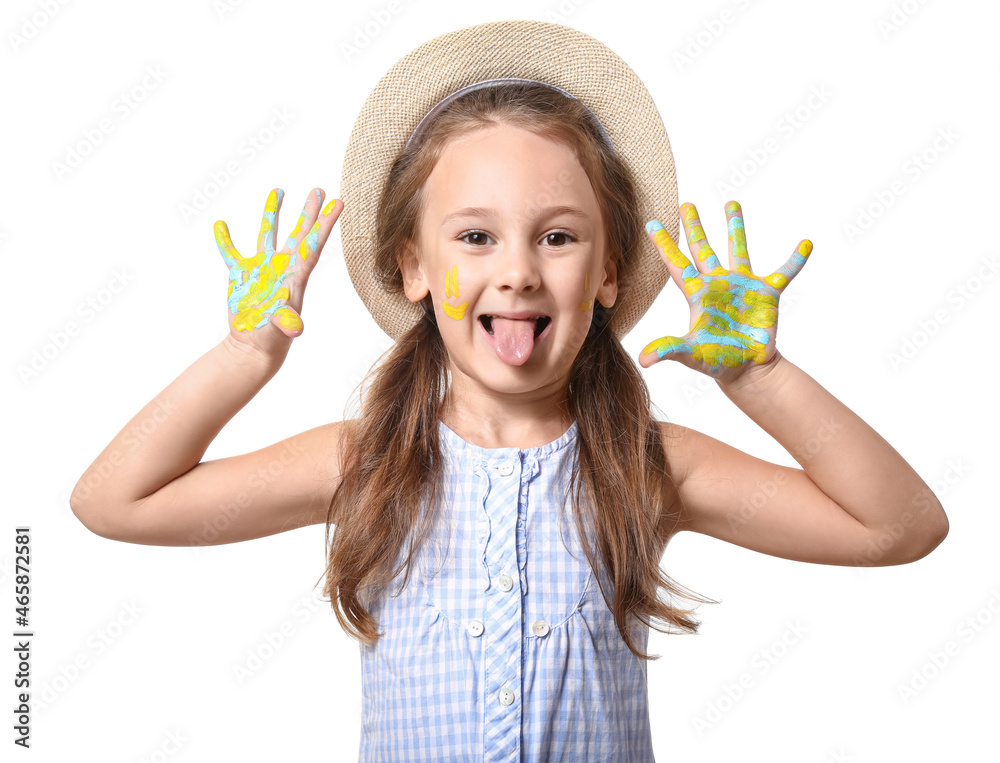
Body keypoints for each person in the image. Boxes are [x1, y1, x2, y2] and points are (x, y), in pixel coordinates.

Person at [70, 20, 948, 762]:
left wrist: (759, 377)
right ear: (414, 264)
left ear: (609, 270)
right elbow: (114, 500)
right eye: (477, 236)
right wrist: (243, 354)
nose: (519, 272)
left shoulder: (642, 466)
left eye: (558, 236)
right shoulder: (364, 460)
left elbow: (901, 525)